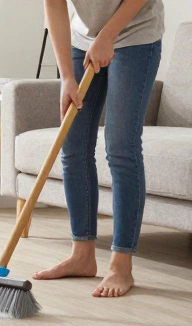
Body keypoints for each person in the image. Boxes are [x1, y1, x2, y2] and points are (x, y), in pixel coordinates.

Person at [33, 0, 163, 297]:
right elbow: (53, 4)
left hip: (135, 35)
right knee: (73, 146)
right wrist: (67, 76)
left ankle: (121, 265)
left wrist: (107, 36)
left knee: (121, 147)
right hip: (82, 39)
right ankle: (82, 255)